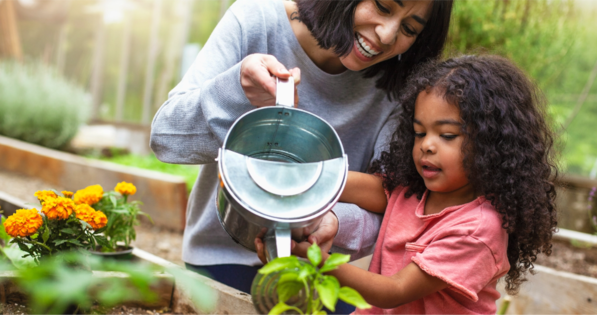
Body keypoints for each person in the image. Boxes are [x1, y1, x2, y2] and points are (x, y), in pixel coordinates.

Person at [149, 0, 455, 306]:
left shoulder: (399, 88)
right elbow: (166, 138)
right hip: (222, 258)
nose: (387, 35)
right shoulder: (257, 19)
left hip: (318, 272)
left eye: (409, 28)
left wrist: (335, 220)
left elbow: (392, 204)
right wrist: (236, 90)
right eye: (383, 7)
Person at [257, 55, 558, 314]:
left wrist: (316, 261)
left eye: (447, 135)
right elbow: (372, 189)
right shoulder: (416, 192)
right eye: (419, 132)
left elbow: (395, 289)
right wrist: (309, 178)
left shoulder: (479, 229)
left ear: (492, 143)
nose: (427, 145)